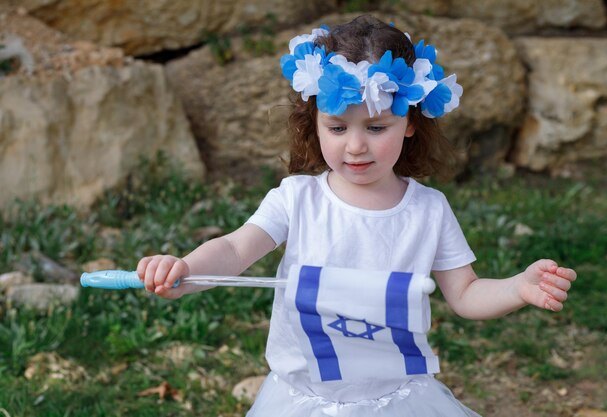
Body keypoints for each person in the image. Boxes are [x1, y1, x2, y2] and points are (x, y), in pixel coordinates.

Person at [136, 15, 577, 417]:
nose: (355, 146)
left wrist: (518, 287)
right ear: (315, 122)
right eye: (338, 127)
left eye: (376, 127)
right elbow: (234, 249)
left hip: (397, 401)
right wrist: (188, 270)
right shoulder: (297, 199)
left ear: (409, 122)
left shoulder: (427, 211)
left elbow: (465, 294)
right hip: (302, 401)